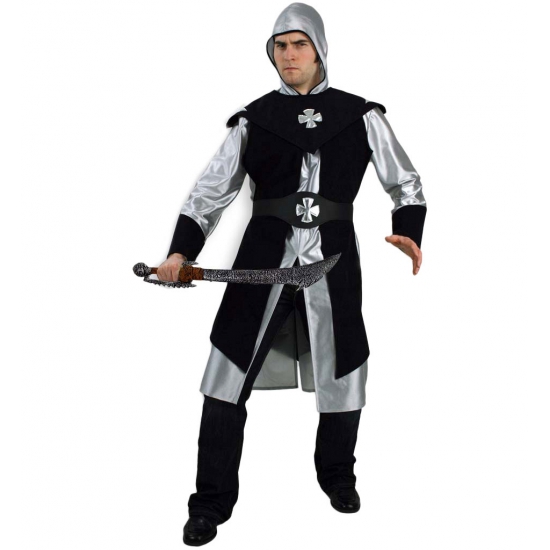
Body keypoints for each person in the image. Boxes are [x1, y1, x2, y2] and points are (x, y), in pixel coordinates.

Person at [157, 3, 427, 546]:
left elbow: (405, 181)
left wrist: (408, 229)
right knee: (226, 375)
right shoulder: (253, 119)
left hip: (333, 260)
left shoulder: (360, 115)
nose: (289, 55)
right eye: (280, 46)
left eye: (299, 44)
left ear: (320, 50)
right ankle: (209, 504)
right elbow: (209, 193)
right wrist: (181, 251)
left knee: (344, 368)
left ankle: (338, 478)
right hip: (261, 261)